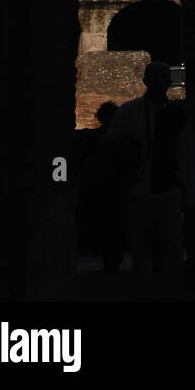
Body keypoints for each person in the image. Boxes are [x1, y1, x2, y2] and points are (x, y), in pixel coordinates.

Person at [106, 61, 195, 299]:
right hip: (148, 189)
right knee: (153, 251)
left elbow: (186, 155)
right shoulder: (134, 112)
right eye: (157, 77)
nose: (160, 82)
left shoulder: (132, 112)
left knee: (164, 250)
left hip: (159, 190)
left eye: (163, 77)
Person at [76, 100, 127, 274]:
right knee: (114, 227)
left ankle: (106, 259)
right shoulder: (122, 139)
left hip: (99, 187)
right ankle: (111, 261)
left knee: (103, 225)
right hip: (115, 189)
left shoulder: (96, 138)